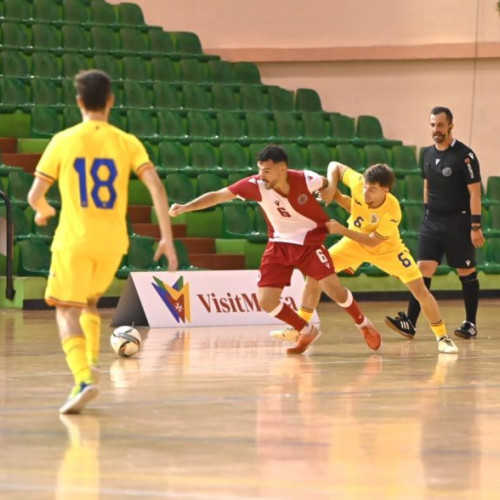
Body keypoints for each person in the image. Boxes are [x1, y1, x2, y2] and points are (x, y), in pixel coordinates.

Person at [27, 69, 178, 414]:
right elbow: (156, 186)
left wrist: (42, 211)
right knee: (92, 303)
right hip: (113, 242)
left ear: (79, 101)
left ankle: (83, 377)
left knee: (66, 309)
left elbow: (36, 195)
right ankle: (93, 363)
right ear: (111, 101)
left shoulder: (64, 140)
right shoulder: (126, 141)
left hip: (75, 240)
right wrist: (166, 237)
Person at [169, 145, 382, 355]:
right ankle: (306, 330)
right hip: (279, 244)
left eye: (267, 171)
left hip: (310, 243)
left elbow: (328, 184)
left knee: (334, 290)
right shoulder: (255, 185)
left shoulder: (305, 179)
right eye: (260, 169)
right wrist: (186, 207)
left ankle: (363, 324)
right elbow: (218, 195)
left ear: (283, 169)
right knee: (266, 301)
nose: (262, 176)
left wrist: (336, 197)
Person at [270, 161, 459, 354]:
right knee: (314, 275)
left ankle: (442, 337)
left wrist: (341, 228)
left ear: (386, 190)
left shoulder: (392, 211)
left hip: (387, 250)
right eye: (366, 188)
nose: (366, 193)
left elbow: (371, 242)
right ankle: (300, 328)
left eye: (372, 190)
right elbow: (334, 166)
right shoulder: (359, 183)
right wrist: (332, 188)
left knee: (420, 291)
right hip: (352, 244)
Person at [385, 107, 484, 340]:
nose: (436, 130)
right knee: (421, 271)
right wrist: (427, 210)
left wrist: (475, 226)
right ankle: (410, 322)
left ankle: (470, 323)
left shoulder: (465, 155)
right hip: (432, 222)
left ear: (450, 125)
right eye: (432, 125)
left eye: (440, 125)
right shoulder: (427, 154)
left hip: (458, 222)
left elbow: (475, 193)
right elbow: (427, 184)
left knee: (466, 271)